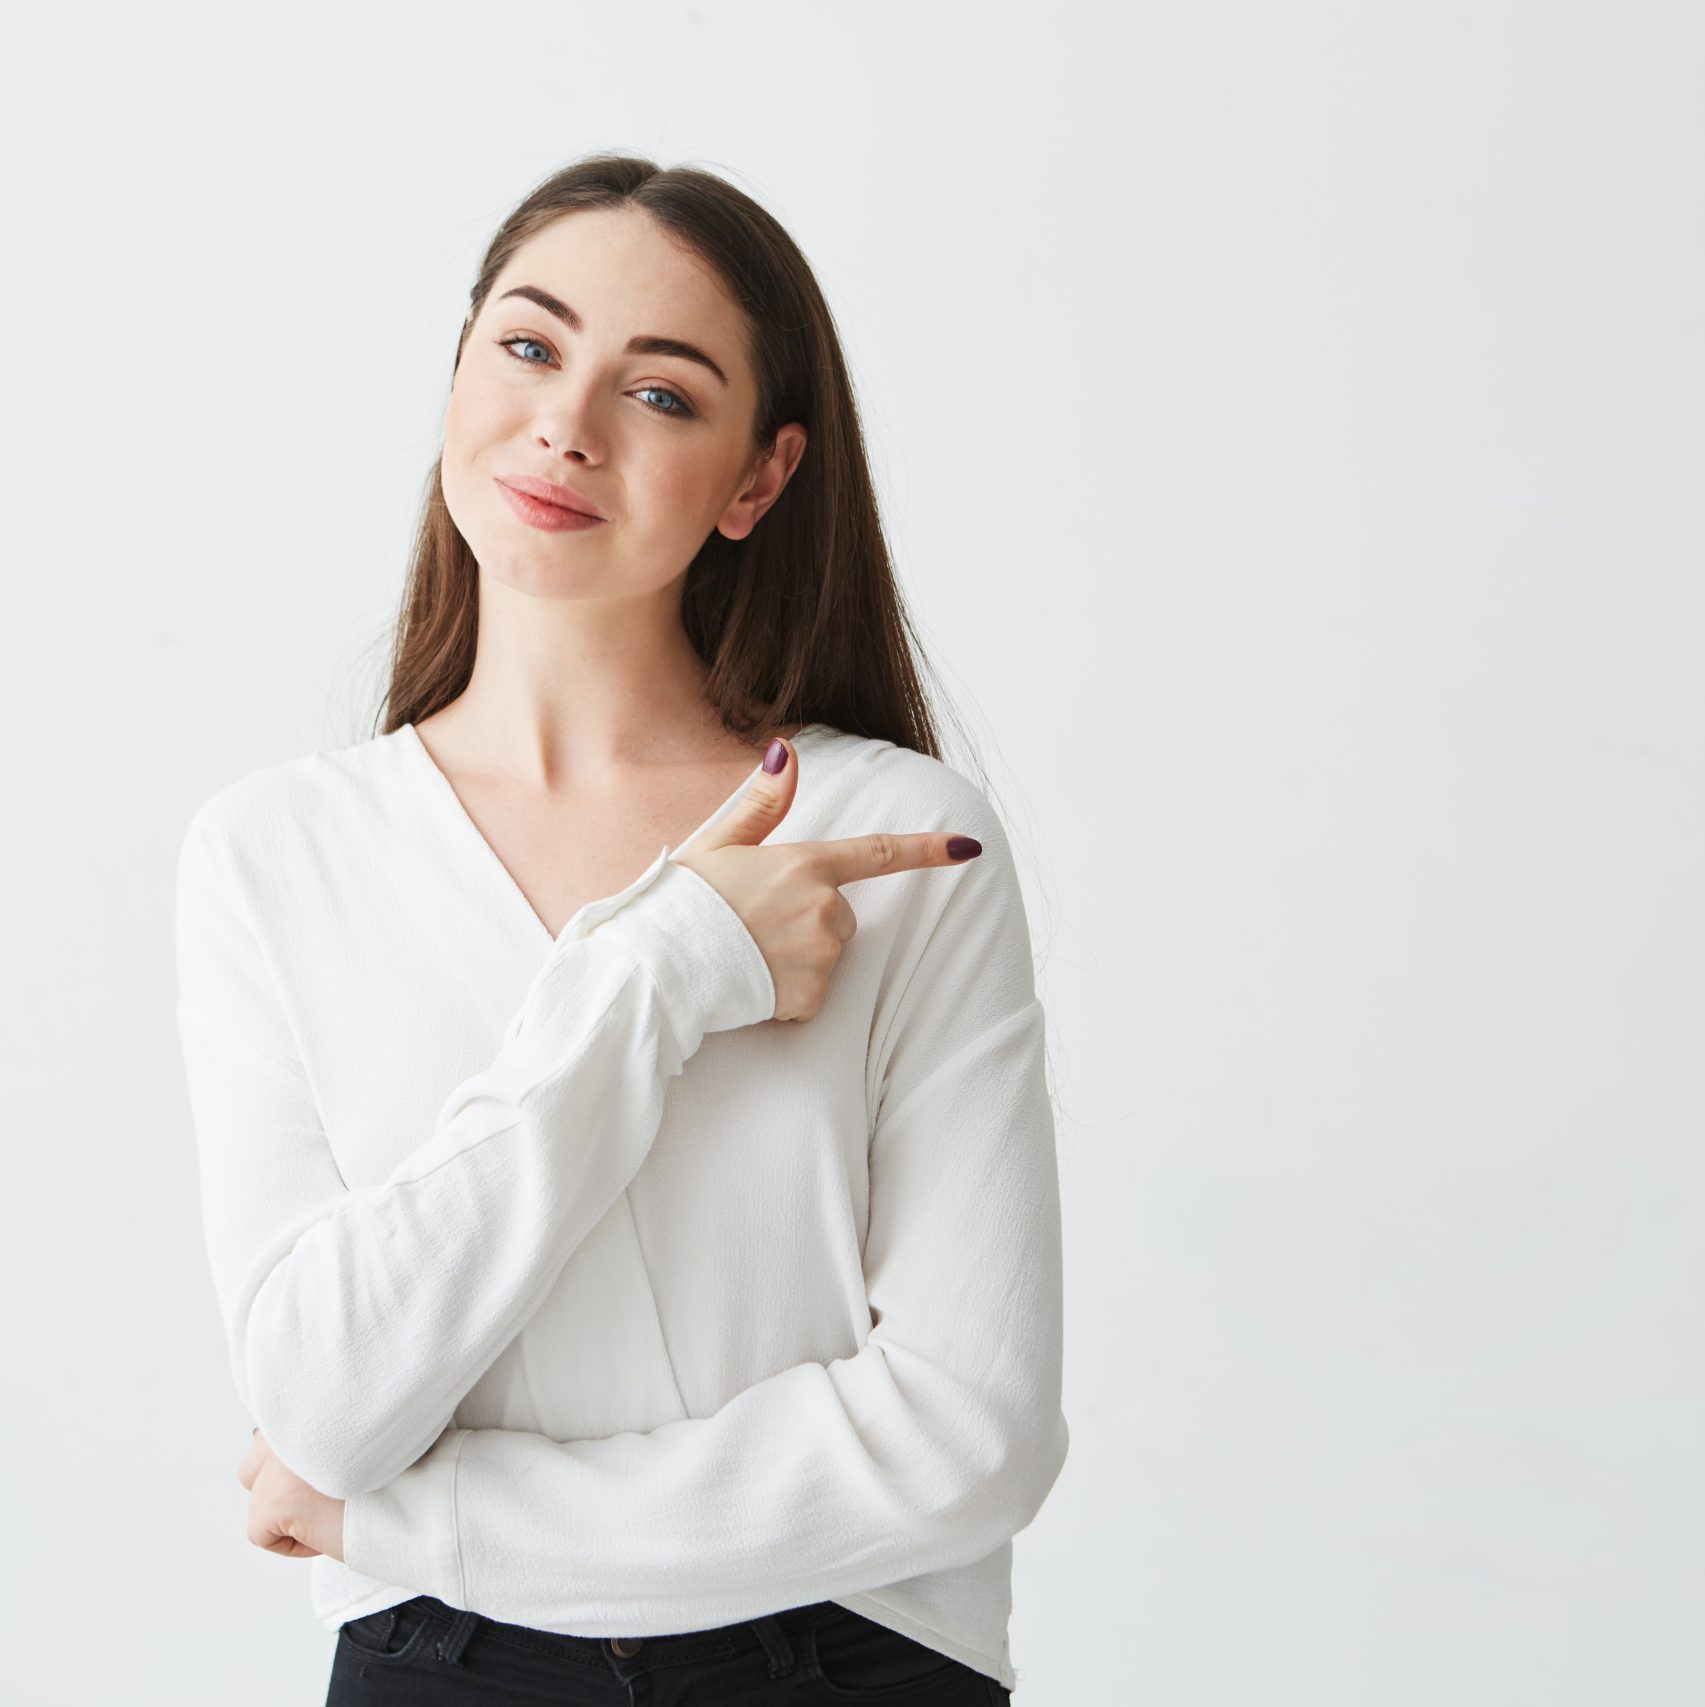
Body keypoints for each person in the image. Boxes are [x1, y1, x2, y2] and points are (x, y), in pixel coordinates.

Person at [172, 154, 1066, 1705]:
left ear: (759, 479)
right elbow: (319, 1402)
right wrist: (662, 970)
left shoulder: (891, 844)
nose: (567, 426)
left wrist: (427, 1515)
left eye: (660, 394)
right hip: (444, 1670)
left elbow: (970, 1438)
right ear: (458, 368)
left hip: (847, 1669)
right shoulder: (275, 855)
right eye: (529, 346)